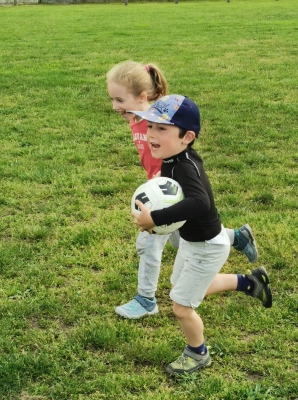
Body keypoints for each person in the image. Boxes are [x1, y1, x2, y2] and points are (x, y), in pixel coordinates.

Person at [131, 94, 272, 375]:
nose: (151, 134)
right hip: (195, 241)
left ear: (187, 136)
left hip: (207, 245)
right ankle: (249, 282)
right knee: (184, 288)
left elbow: (199, 203)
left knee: (182, 307)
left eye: (162, 128)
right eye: (149, 127)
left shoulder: (183, 165)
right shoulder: (172, 157)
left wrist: (155, 219)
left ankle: (197, 353)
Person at [107, 61, 258, 320]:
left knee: (147, 244)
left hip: (166, 197)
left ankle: (146, 299)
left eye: (120, 99)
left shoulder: (159, 118)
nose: (115, 106)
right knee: (181, 239)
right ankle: (235, 237)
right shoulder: (137, 118)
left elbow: (173, 114)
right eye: (112, 99)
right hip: (162, 191)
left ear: (143, 98)